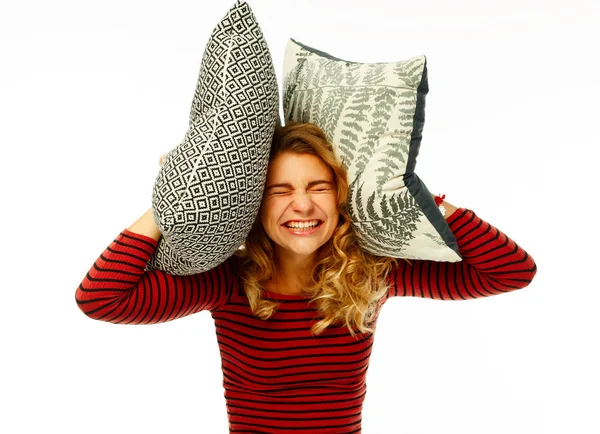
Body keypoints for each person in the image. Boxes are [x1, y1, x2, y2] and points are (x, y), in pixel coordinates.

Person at [76, 122, 537, 433]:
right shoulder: (225, 281)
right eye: (281, 190)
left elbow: (512, 271)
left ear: (340, 200)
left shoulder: (371, 276)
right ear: (256, 204)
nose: (302, 205)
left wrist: (418, 198)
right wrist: (172, 197)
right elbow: (102, 299)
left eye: (318, 187)